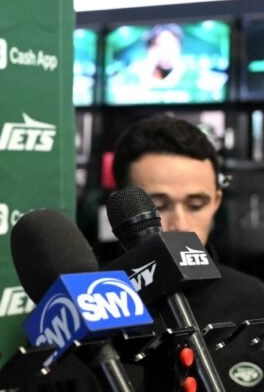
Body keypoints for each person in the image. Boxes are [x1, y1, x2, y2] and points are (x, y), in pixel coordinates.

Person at [112, 114, 264, 391]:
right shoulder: (90, 312)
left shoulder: (255, 300)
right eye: (157, 207)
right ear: (122, 212)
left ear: (216, 202)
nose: (180, 225)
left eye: (196, 204)